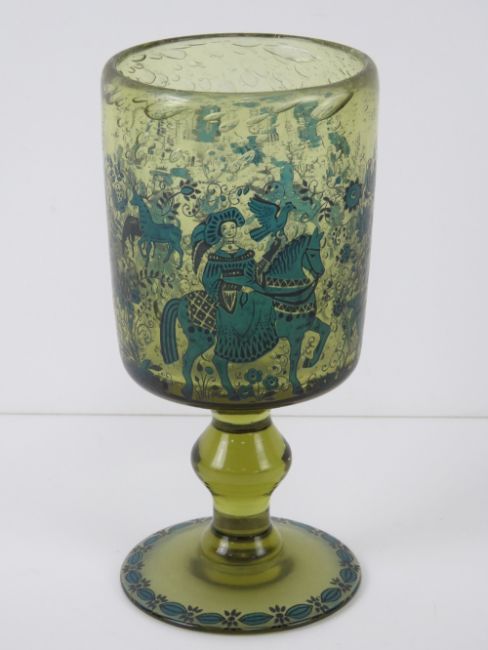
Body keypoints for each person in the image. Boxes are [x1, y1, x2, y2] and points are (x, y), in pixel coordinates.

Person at [191, 208, 278, 367]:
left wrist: (252, 283)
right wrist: (234, 288)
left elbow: (252, 273)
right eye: (225, 228)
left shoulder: (244, 253)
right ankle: (233, 349)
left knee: (264, 299)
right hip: (227, 291)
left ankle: (258, 344)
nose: (229, 231)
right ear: (220, 232)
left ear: (236, 229)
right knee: (237, 306)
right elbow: (210, 281)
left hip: (247, 285)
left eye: (232, 227)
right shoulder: (216, 256)